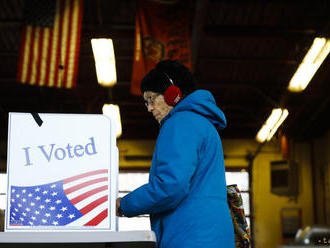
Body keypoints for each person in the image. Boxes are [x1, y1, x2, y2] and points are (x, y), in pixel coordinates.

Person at [116, 60, 235, 248]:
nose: (148, 108)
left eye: (151, 99)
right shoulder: (203, 123)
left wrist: (124, 205)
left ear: (173, 94)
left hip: (190, 238)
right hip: (211, 236)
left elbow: (170, 186)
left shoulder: (179, 123)